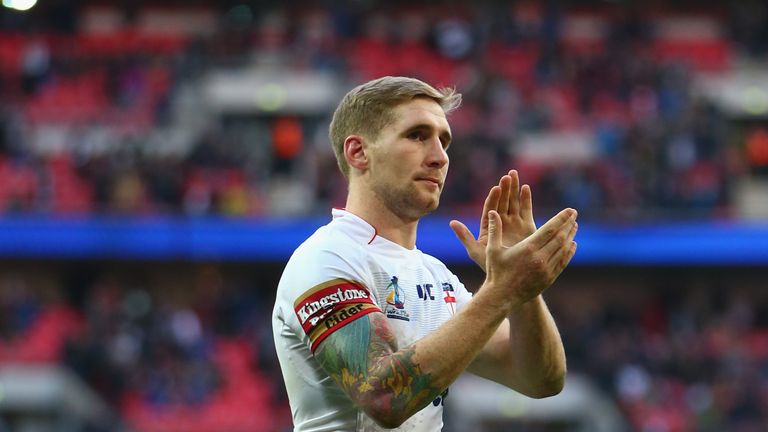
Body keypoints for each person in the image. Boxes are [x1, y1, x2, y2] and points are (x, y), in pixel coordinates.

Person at [272, 76, 578, 431]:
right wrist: (503, 290)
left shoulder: (436, 276)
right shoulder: (327, 258)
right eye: (417, 135)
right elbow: (384, 397)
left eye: (444, 141)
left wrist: (525, 292)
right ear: (358, 152)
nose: (439, 157)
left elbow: (542, 381)